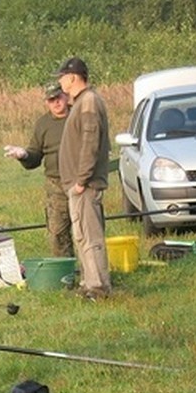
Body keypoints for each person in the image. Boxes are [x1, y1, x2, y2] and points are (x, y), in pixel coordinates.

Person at [55, 56, 112, 301]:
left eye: (62, 77)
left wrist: (81, 179)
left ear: (72, 77)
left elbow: (91, 143)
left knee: (90, 237)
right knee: (82, 236)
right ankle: (89, 283)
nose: (60, 81)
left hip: (85, 186)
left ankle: (98, 288)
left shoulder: (88, 101)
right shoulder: (81, 102)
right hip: (79, 185)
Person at [3, 81, 73, 257]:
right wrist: (24, 155)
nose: (56, 103)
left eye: (58, 98)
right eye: (51, 100)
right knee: (58, 233)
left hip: (82, 181)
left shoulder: (79, 115)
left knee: (86, 233)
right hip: (56, 185)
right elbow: (34, 156)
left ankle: (92, 276)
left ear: (66, 95)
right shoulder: (43, 124)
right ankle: (65, 275)